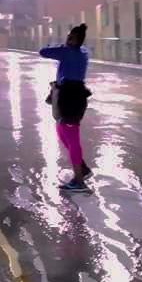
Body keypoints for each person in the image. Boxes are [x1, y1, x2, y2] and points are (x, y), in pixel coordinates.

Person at [40, 24, 94, 194]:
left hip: (70, 98)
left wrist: (62, 45)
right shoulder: (84, 52)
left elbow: (43, 51)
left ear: (75, 39)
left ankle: (79, 182)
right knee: (62, 133)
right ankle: (82, 168)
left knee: (72, 138)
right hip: (70, 97)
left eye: (70, 37)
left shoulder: (66, 51)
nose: (67, 39)